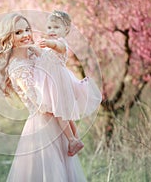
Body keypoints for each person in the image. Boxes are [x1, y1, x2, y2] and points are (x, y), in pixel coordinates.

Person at [0, 13, 87, 182]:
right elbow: (40, 103)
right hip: (43, 127)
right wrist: (59, 97)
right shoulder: (17, 68)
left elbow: (55, 65)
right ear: (9, 38)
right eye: (18, 32)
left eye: (27, 29)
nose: (26, 35)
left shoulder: (34, 53)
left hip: (57, 121)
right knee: (50, 173)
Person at [30, 10, 103, 154]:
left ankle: (72, 140)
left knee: (60, 112)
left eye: (56, 28)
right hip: (52, 82)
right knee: (65, 114)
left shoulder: (61, 43)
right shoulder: (49, 47)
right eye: (50, 27)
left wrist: (49, 43)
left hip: (57, 82)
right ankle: (76, 138)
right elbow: (44, 56)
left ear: (66, 30)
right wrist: (33, 49)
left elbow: (58, 47)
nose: (52, 30)